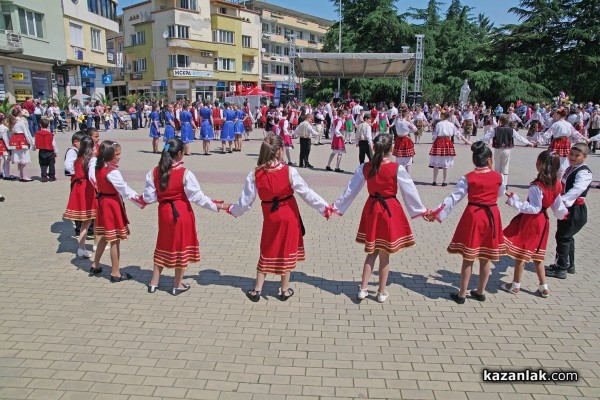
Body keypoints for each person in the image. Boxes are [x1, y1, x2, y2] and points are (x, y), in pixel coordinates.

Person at [225, 134, 329, 302]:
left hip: (270, 217)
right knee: (286, 249)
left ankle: (257, 289)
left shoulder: (255, 174)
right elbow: (307, 193)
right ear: (280, 151)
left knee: (267, 247)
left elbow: (245, 202)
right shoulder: (289, 171)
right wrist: (325, 208)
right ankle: (284, 289)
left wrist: (232, 210)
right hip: (289, 215)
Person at [329, 134, 429, 302]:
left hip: (372, 209)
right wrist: (422, 210)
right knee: (385, 253)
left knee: (371, 251)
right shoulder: (398, 168)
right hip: (390, 210)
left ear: (373, 148)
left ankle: (363, 288)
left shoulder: (365, 167)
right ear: (391, 149)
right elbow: (410, 192)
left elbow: (350, 191)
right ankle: (381, 292)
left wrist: (335, 207)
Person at [427, 142, 506, 304]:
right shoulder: (499, 177)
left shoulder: (468, 178)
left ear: (474, 160)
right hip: (491, 215)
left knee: (468, 257)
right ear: (490, 161)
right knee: (486, 258)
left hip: (474, 216)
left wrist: (436, 213)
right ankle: (481, 291)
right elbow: (500, 193)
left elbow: (453, 199)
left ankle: (462, 294)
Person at [142, 138, 223, 295]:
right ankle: (177, 284)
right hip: (181, 212)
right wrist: (217, 205)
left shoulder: (154, 172)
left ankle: (154, 282)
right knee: (181, 247)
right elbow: (198, 197)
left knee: (162, 243)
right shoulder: (185, 173)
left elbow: (149, 197)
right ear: (180, 153)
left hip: (164, 212)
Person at [501, 150, 567, 297]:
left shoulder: (536, 186)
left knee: (521, 253)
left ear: (539, 164)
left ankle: (515, 284)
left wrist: (515, 202)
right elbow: (557, 206)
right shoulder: (556, 184)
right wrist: (563, 214)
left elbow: (534, 208)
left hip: (532, 221)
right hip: (544, 221)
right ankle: (544, 286)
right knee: (538, 255)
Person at [90, 141, 144, 280]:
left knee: (104, 235)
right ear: (109, 154)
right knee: (114, 239)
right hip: (111, 204)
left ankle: (95, 264)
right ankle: (115, 272)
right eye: (117, 154)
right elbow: (124, 190)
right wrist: (140, 200)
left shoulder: (98, 166)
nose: (119, 157)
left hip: (103, 201)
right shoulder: (112, 172)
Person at [545, 143, 593, 279]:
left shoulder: (584, 172)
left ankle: (560, 268)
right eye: (571, 154)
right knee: (566, 236)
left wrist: (562, 201)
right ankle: (569, 265)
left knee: (563, 237)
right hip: (569, 207)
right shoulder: (571, 168)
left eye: (577, 155)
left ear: (584, 157)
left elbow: (577, 190)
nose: (572, 157)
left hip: (575, 209)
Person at [63, 136, 98, 258]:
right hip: (88, 188)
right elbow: (93, 176)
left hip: (79, 187)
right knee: (95, 218)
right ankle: (96, 244)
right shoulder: (91, 160)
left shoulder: (78, 159)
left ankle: (81, 247)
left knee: (86, 221)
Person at [477, 114, 532, 186]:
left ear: (500, 121)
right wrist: (529, 142)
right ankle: (504, 184)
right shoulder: (511, 130)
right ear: (508, 121)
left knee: (497, 166)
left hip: (497, 149)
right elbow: (519, 138)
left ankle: (496, 183)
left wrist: (477, 141)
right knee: (505, 167)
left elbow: (487, 137)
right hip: (507, 150)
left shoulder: (496, 129)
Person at [537, 107, 586, 179]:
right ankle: (560, 179)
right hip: (565, 143)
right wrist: (584, 138)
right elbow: (575, 133)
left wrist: (538, 142)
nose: (555, 115)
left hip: (557, 142)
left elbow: (547, 134)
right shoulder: (568, 124)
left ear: (559, 115)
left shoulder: (556, 124)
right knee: (563, 160)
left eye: (556, 114)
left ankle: (554, 178)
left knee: (554, 159)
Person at [429, 111, 470, 186]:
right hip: (447, 142)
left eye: (441, 115)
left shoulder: (438, 124)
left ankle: (434, 181)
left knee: (436, 163)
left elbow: (434, 134)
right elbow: (459, 135)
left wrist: (433, 141)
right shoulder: (451, 125)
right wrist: (468, 142)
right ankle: (444, 182)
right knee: (446, 163)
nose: (440, 116)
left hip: (438, 142)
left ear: (443, 116)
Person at [7, 108, 34, 182]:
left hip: (15, 141)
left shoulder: (12, 123)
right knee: (24, 157)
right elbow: (27, 133)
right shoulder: (21, 122)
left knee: (19, 158)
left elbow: (10, 134)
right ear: (19, 113)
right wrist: (31, 143)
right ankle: (24, 176)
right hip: (22, 140)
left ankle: (21, 176)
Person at [34, 118, 57, 182]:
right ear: (48, 125)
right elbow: (53, 144)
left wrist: (34, 148)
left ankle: (44, 176)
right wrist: (55, 151)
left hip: (42, 151)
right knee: (51, 164)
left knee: (43, 164)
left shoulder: (37, 133)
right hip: (50, 150)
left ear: (40, 125)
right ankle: (52, 176)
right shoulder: (50, 134)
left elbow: (35, 142)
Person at [0, 113, 12, 181]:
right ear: (2, 121)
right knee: (6, 160)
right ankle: (6, 174)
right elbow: (5, 138)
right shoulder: (4, 128)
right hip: (3, 144)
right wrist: (9, 147)